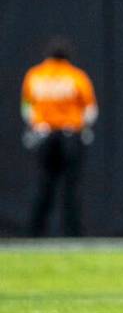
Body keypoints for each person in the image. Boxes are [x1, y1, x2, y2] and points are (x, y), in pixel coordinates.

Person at [21, 38, 98, 237]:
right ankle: (73, 234)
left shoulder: (35, 75)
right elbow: (90, 110)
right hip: (69, 135)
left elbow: (26, 109)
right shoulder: (76, 76)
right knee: (71, 187)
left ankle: (35, 233)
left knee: (44, 184)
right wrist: (82, 128)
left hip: (44, 135)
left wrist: (37, 126)